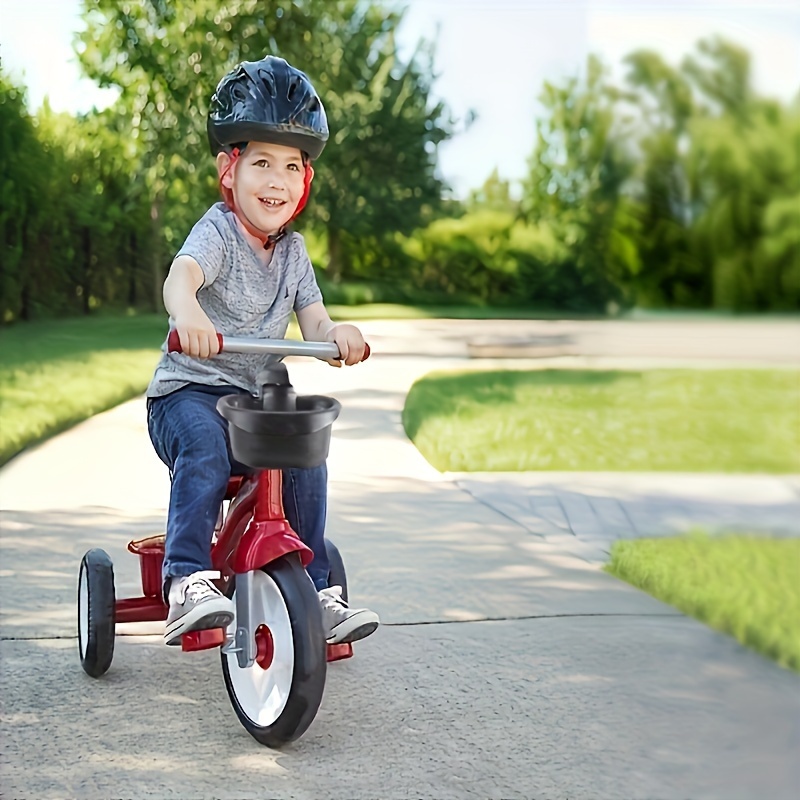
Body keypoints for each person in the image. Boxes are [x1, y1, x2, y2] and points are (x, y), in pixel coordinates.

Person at [146, 55, 380, 648]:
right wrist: (189, 313)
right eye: (262, 163)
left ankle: (318, 591)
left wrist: (337, 338)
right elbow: (182, 276)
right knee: (203, 447)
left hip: (251, 401)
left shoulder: (295, 254)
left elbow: (316, 319)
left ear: (305, 181)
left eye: (292, 166)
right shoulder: (219, 232)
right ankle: (186, 581)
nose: (277, 180)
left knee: (307, 452)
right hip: (188, 395)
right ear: (230, 169)